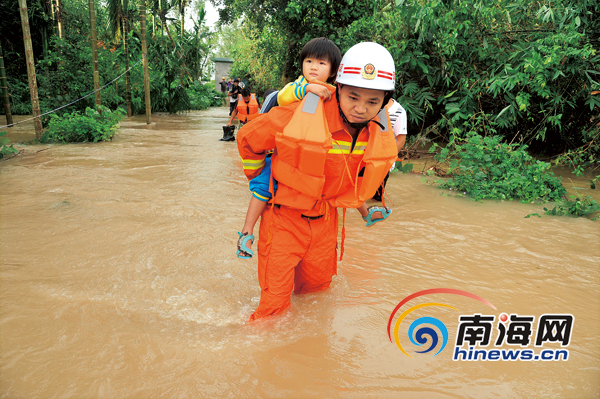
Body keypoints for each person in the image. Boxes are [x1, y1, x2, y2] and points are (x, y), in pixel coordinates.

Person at [237, 42, 399, 321]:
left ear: (385, 101)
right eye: (353, 98)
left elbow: (349, 178)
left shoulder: (374, 131)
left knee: (316, 300)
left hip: (326, 224)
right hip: (284, 221)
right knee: (272, 311)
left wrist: (365, 210)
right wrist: (260, 179)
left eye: (373, 102)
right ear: (338, 88)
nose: (361, 109)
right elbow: (247, 139)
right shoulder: (298, 114)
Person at [235, 37, 342, 260]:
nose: (314, 66)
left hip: (313, 155)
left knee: (339, 179)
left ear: (332, 71)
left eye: (322, 63)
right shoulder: (297, 86)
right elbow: (284, 97)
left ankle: (366, 211)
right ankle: (246, 232)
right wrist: (308, 89)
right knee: (264, 187)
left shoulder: (337, 95)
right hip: (281, 154)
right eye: (309, 61)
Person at [372, 97, 408, 201]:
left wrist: (386, 160)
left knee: (376, 199)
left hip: (383, 161)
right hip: (363, 158)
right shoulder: (368, 106)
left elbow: (401, 141)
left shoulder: (399, 111)